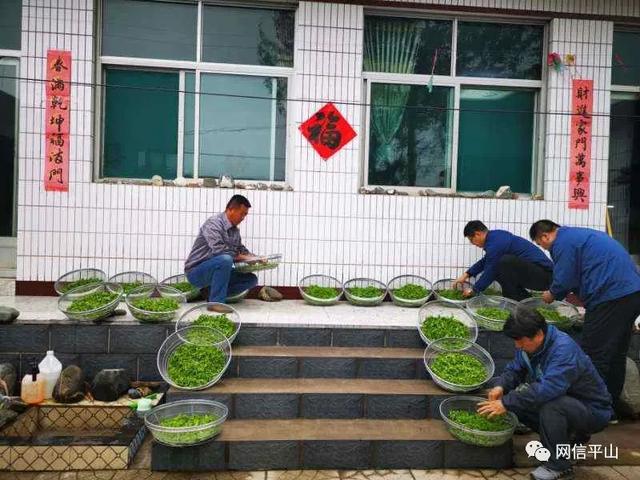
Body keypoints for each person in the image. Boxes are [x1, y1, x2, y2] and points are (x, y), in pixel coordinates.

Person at [478, 306, 612, 480]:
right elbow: (514, 370)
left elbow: (548, 389)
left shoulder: (563, 350)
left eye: (520, 340)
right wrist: (501, 387)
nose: (517, 345)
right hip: (567, 403)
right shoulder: (531, 347)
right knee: (519, 401)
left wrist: (506, 403)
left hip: (592, 411)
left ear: (539, 334)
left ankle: (559, 466)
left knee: (550, 406)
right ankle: (570, 438)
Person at [529, 220, 640, 419]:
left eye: (540, 244)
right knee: (615, 353)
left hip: (611, 296)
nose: (543, 248)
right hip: (631, 294)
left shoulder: (562, 243)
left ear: (545, 236)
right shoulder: (579, 235)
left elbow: (564, 279)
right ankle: (610, 408)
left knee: (593, 353)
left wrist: (551, 294)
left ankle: (592, 409)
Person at [184, 195, 260, 303]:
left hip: (219, 269)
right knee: (225, 259)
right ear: (231, 209)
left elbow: (240, 249)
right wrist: (245, 258)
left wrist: (256, 258)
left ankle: (209, 293)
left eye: (245, 215)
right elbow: (220, 251)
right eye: (242, 214)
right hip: (196, 272)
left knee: (251, 279)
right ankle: (216, 302)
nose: (243, 218)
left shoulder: (234, 231)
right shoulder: (213, 223)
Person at [453, 221, 553, 300]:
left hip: (545, 276)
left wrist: (474, 290)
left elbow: (491, 269)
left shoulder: (495, 243)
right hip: (538, 274)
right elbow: (487, 260)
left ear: (477, 234)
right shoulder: (495, 238)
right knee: (499, 267)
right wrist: (466, 275)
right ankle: (522, 300)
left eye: (471, 240)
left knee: (503, 263)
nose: (473, 244)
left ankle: (515, 300)